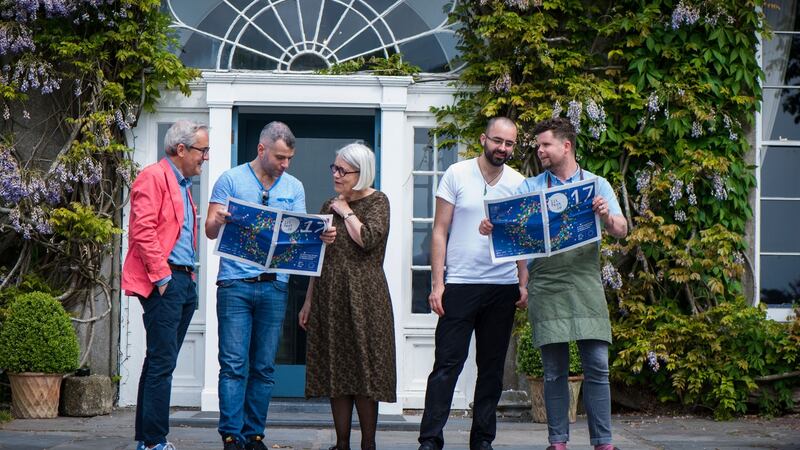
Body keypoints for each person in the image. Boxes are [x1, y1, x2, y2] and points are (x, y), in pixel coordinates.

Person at [480, 117, 627, 450]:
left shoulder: (596, 184)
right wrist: (493, 229)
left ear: (566, 146)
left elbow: (621, 229)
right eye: (539, 145)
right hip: (546, 284)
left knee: (598, 367)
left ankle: (603, 443)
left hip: (585, 281)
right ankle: (557, 442)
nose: (540, 151)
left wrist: (605, 215)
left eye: (545, 145)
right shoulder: (530, 188)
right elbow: (514, 237)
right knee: (554, 370)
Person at [417, 117, 528, 450]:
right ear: (483, 139)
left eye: (509, 144)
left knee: (492, 368)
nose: (502, 149)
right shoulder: (456, 174)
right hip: (461, 283)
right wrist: (438, 283)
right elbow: (439, 230)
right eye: (497, 141)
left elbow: (522, 235)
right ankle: (430, 439)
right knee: (446, 366)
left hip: (501, 285)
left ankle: (482, 440)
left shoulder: (519, 182)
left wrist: (523, 280)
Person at [206, 121, 316, 450]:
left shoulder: (293, 187)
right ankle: (231, 435)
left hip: (274, 287)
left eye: (289, 159)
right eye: (280, 157)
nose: (286, 164)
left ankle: (254, 435)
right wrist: (219, 219)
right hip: (235, 284)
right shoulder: (230, 179)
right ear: (261, 149)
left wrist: (318, 235)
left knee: (265, 366)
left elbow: (299, 236)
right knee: (234, 364)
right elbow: (211, 230)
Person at [298, 142, 395, 450]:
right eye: (334, 168)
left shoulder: (378, 201)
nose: (336, 174)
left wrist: (347, 211)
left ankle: (368, 444)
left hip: (366, 297)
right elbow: (317, 258)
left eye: (343, 170)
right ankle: (341, 444)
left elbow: (367, 239)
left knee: (364, 371)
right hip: (330, 296)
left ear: (361, 172)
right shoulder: (329, 205)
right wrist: (309, 301)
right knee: (336, 371)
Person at [121, 120, 210, 450]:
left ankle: (146, 438)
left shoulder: (183, 185)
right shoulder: (153, 177)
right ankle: (155, 441)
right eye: (203, 150)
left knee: (159, 360)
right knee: (162, 363)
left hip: (184, 279)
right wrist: (161, 277)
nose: (206, 157)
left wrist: (188, 279)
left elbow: (181, 235)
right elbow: (142, 230)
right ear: (182, 149)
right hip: (166, 280)